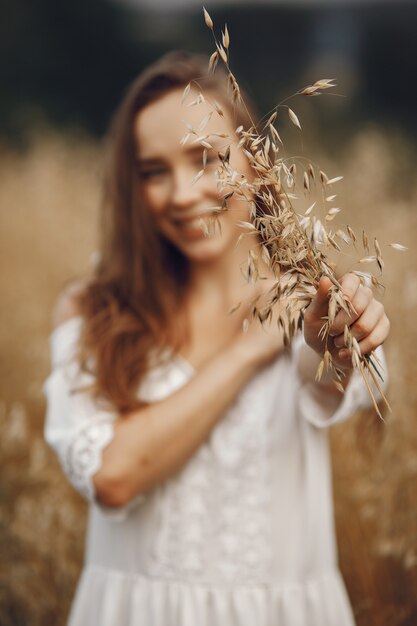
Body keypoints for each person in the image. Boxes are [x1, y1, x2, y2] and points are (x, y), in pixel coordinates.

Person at [43, 51, 390, 626]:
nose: (181, 193)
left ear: (255, 163)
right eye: (154, 172)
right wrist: (251, 348)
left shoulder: (313, 299)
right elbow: (113, 476)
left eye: (205, 158)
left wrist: (342, 342)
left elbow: (334, 378)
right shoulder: (92, 309)